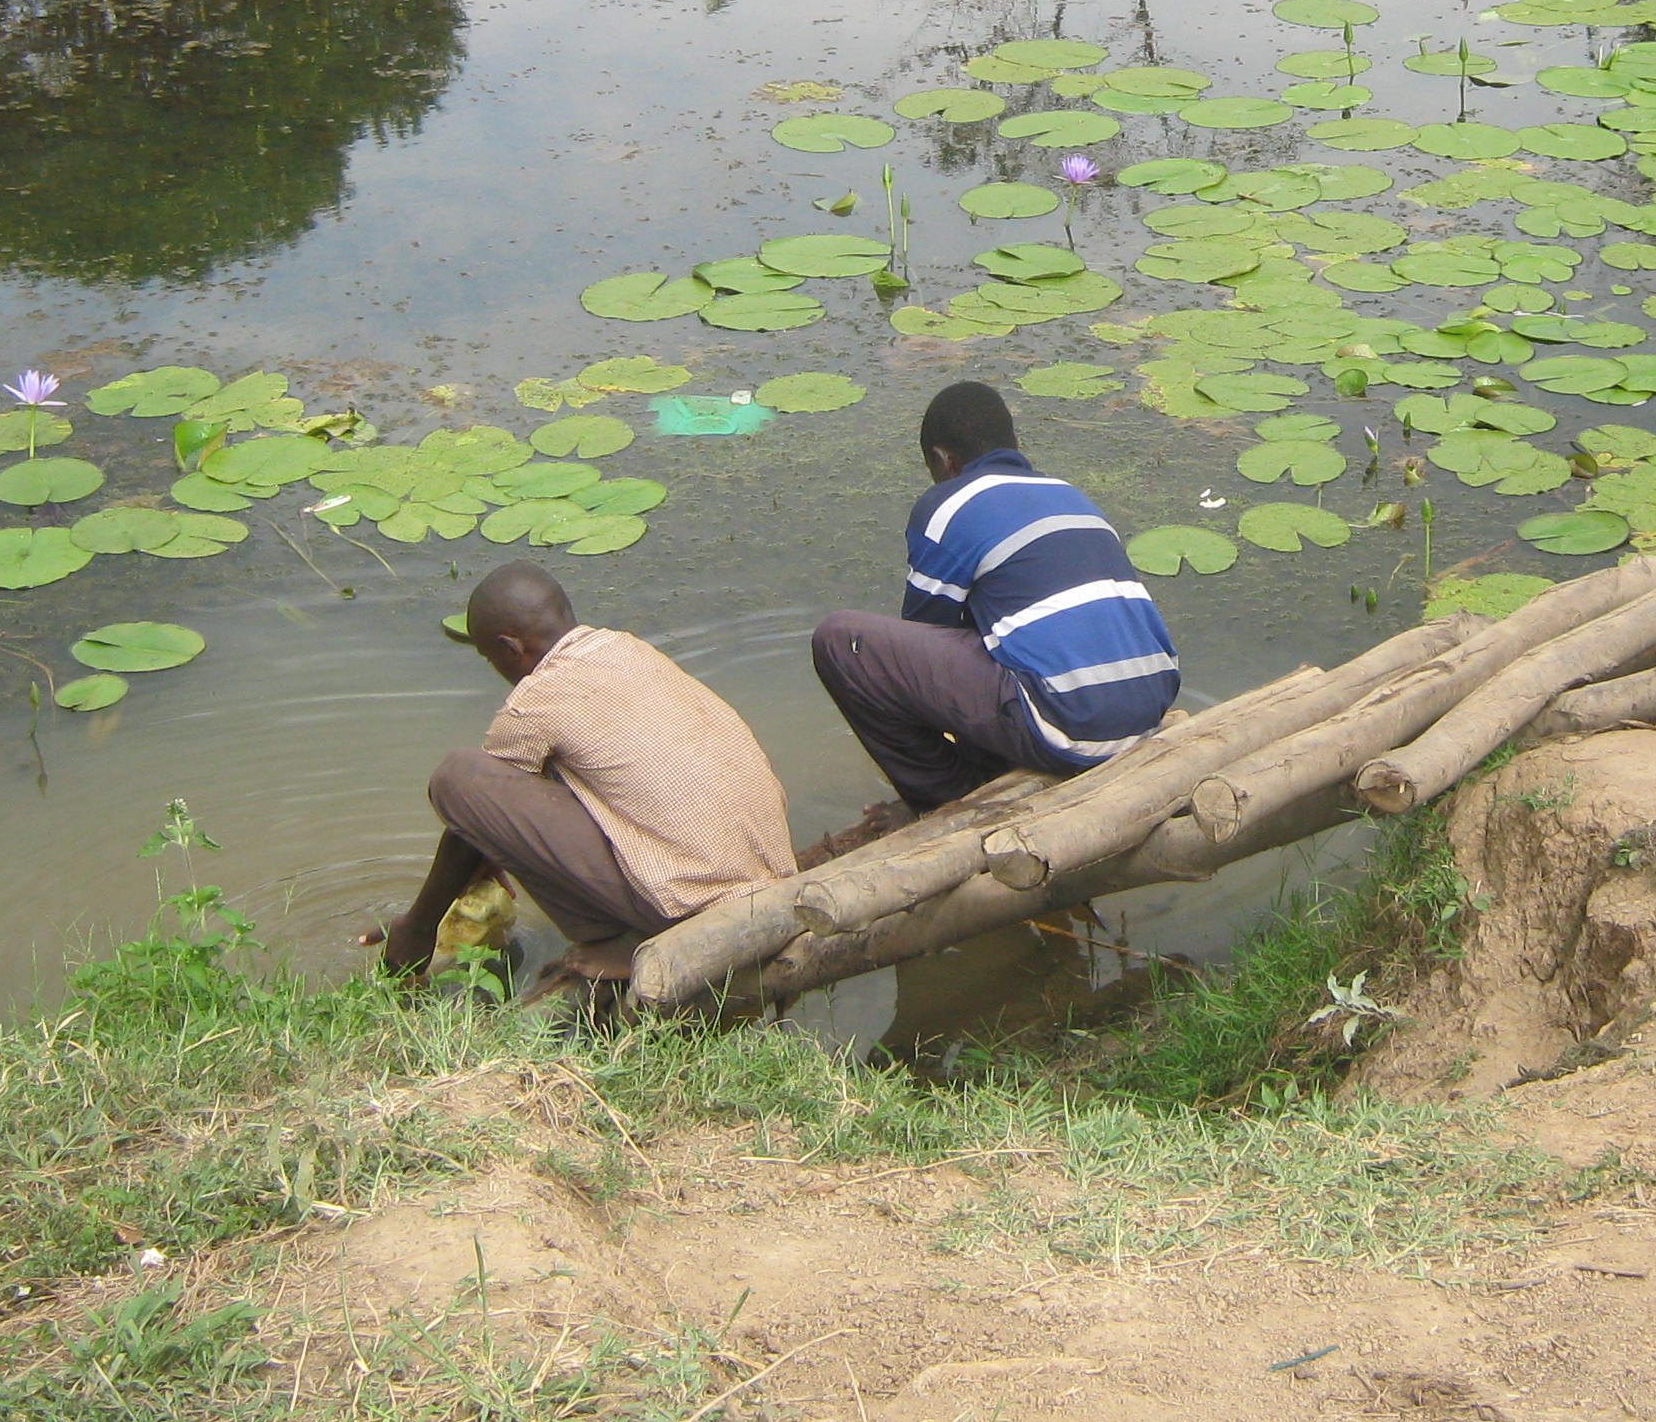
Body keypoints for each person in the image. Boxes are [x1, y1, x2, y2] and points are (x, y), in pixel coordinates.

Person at [377, 561, 794, 1000]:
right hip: (774, 881)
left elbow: (476, 801)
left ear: (509, 647)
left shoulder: (538, 699)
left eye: (489, 658)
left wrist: (418, 927)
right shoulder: (628, 649)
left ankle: (635, 937)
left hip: (700, 912)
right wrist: (490, 845)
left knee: (458, 776)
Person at [809, 380, 1180, 833]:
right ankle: (995, 762)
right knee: (995, 632)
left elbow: (927, 642)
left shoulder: (949, 503)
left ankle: (944, 798)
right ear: (1013, 443)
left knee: (843, 642)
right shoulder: (1072, 497)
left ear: (943, 460)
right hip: (1148, 711)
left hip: (1072, 727)